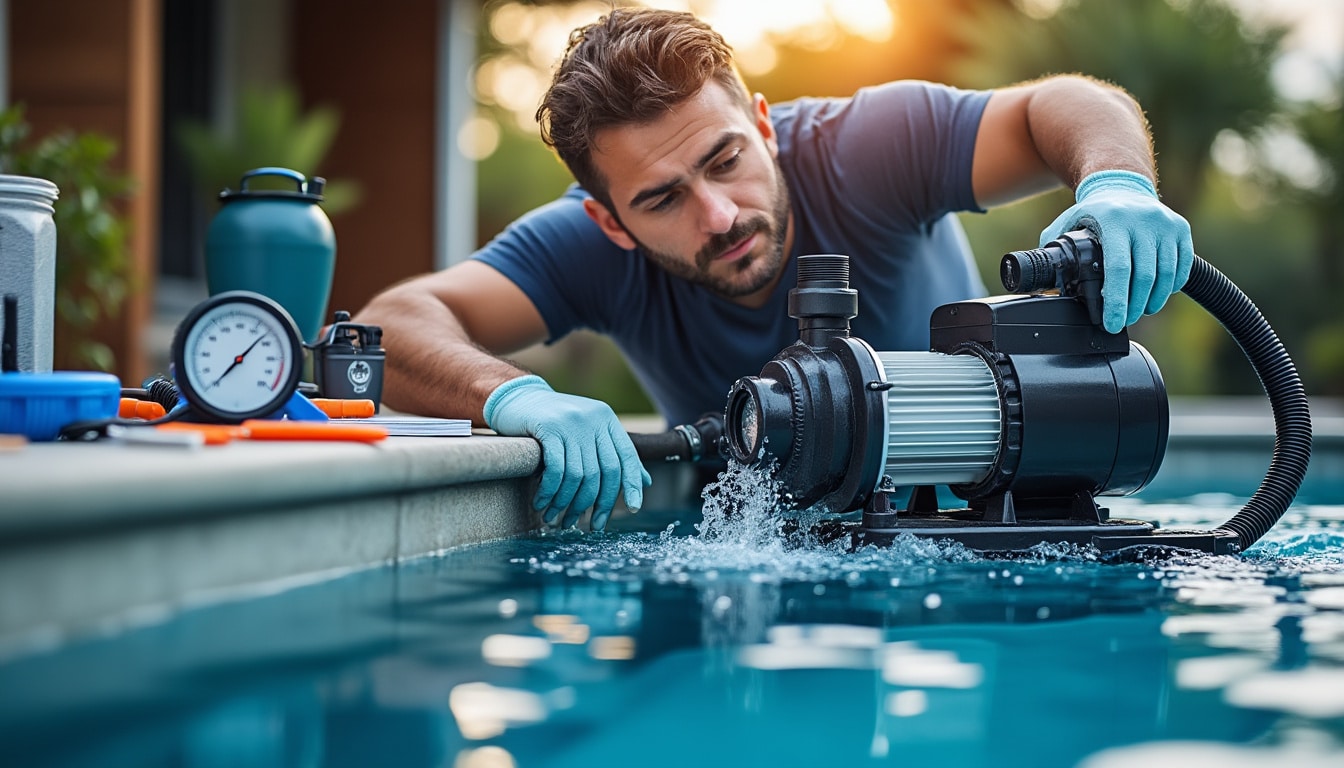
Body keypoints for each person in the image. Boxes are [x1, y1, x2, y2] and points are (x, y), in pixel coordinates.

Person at [352, 7, 1194, 532]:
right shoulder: (584, 249)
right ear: (608, 220)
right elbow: (388, 325)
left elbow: (1066, 106)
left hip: (976, 520)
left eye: (725, 159)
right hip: (753, 553)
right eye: (661, 200)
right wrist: (516, 396)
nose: (718, 216)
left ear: (764, 124)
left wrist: (1116, 185)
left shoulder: (868, 147)